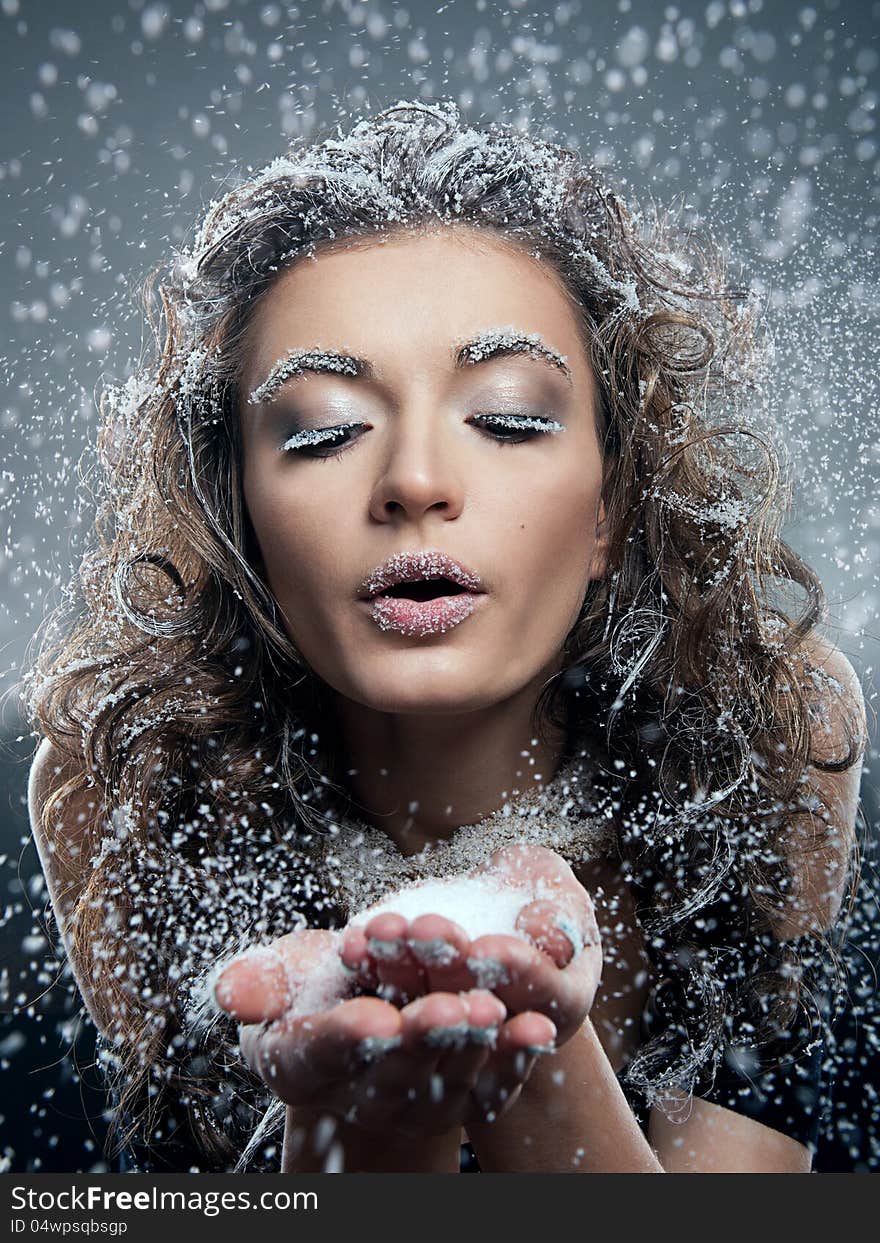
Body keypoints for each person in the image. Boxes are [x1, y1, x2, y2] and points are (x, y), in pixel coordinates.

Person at [21, 99, 867, 1173]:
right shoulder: (117, 778)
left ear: (611, 505)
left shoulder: (772, 721)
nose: (415, 480)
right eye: (324, 429)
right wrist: (361, 1129)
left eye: (508, 416)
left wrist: (535, 1053)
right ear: (239, 518)